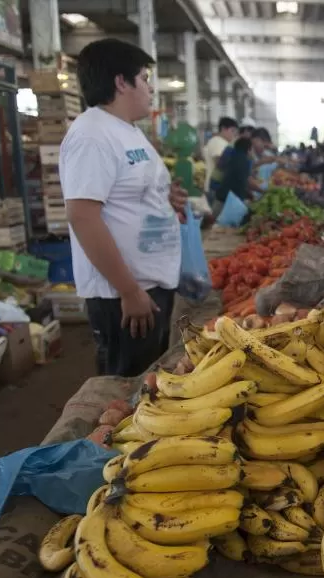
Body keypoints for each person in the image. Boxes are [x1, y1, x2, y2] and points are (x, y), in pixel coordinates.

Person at [59, 38, 187, 377]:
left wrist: (164, 198)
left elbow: (126, 193)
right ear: (121, 82)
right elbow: (82, 215)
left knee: (149, 384)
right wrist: (129, 290)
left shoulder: (127, 131)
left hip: (149, 286)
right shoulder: (91, 135)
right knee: (126, 393)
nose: (150, 89)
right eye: (144, 78)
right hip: (124, 295)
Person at [203, 116, 238, 205]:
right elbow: (220, 162)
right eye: (232, 131)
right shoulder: (217, 141)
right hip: (215, 187)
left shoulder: (223, 142)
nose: (234, 134)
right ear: (223, 129)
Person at [215, 137, 254, 205]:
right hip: (229, 201)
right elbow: (247, 182)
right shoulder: (244, 161)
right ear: (249, 149)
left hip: (222, 197)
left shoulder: (232, 156)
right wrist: (263, 191)